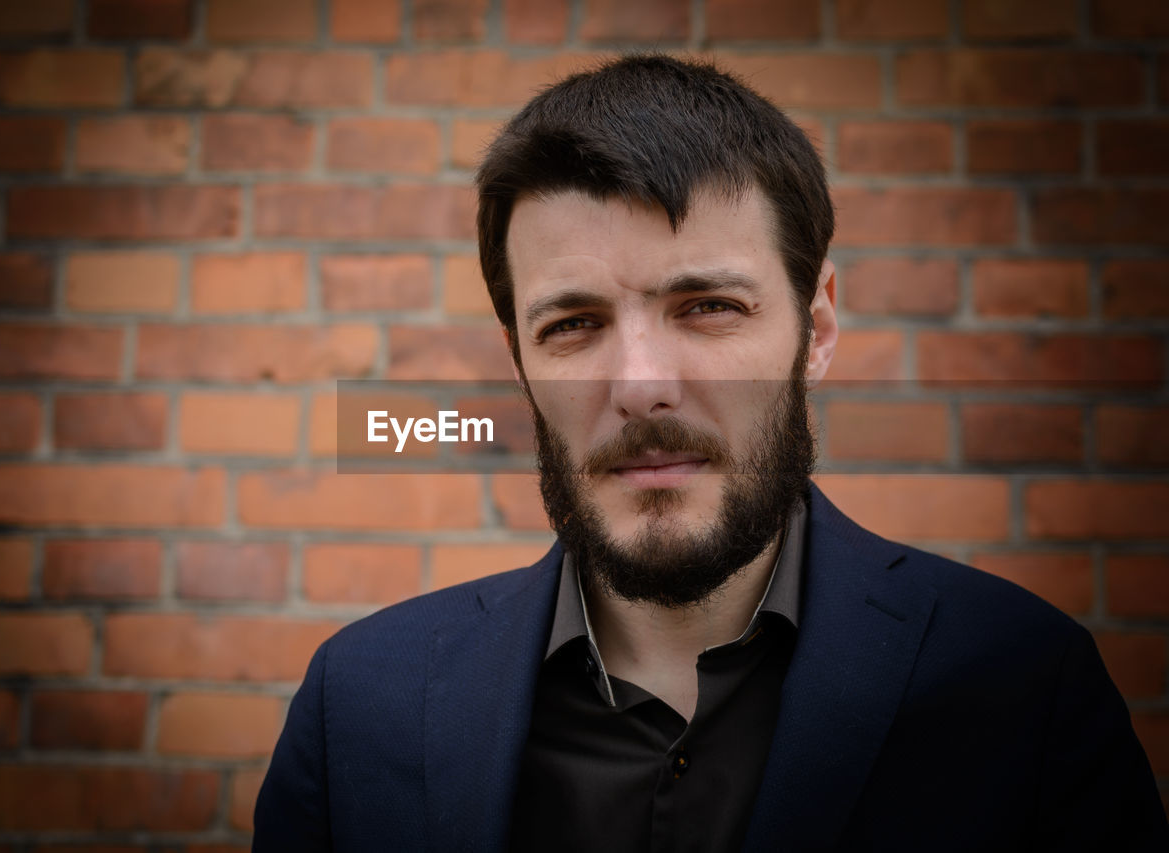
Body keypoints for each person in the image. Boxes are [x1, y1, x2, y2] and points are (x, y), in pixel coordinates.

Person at [253, 54, 1167, 851]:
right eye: (573, 325)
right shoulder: (359, 704)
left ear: (816, 328)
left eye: (709, 307)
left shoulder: (1023, 688)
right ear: (520, 362)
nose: (639, 385)